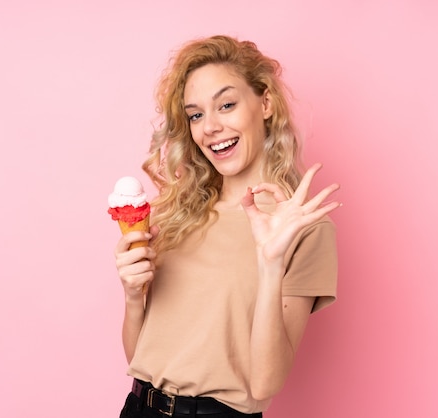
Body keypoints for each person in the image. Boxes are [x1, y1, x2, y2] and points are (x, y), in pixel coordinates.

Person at [115, 35, 341, 418]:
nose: (211, 127)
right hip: (139, 408)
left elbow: (265, 384)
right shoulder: (175, 213)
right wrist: (133, 296)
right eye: (196, 114)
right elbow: (141, 358)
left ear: (265, 103)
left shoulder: (303, 229)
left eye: (227, 105)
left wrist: (270, 262)